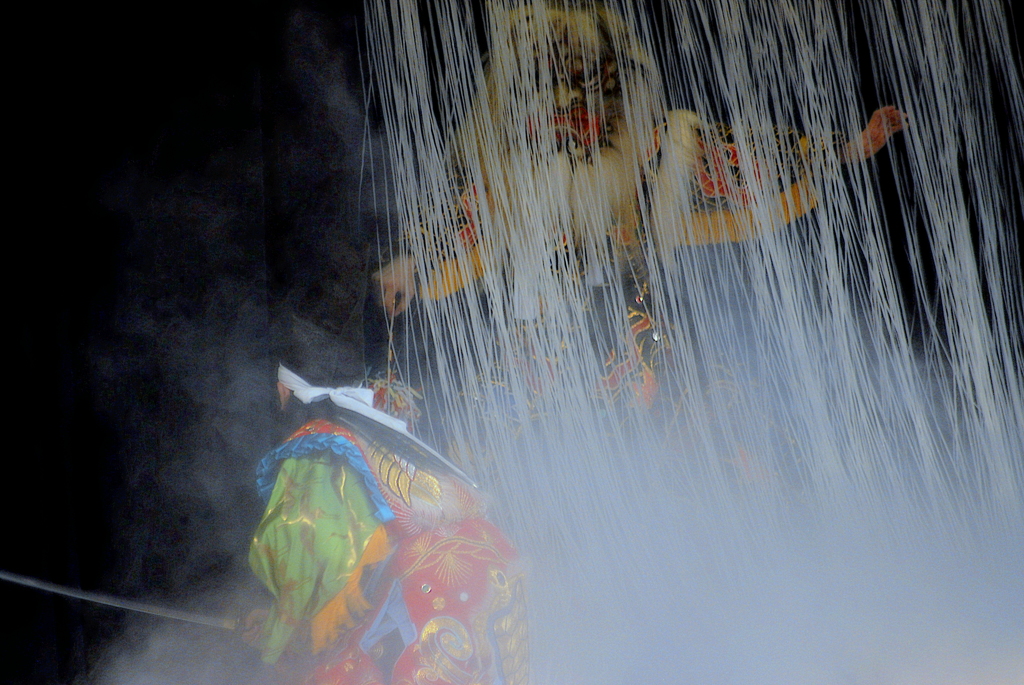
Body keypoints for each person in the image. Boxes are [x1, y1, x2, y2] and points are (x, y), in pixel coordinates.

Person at [373, 2, 907, 411]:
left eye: (585, 81)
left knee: (688, 414)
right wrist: (409, 264)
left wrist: (846, 149)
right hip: (533, 359)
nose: (571, 109)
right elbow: (457, 222)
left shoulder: (655, 154)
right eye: (554, 83)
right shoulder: (509, 179)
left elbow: (744, 162)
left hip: (632, 353)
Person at [248, 363, 528, 685]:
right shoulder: (370, 432)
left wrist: (275, 638)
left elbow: (311, 558)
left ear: (285, 389)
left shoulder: (317, 446)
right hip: (490, 556)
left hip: (433, 575)